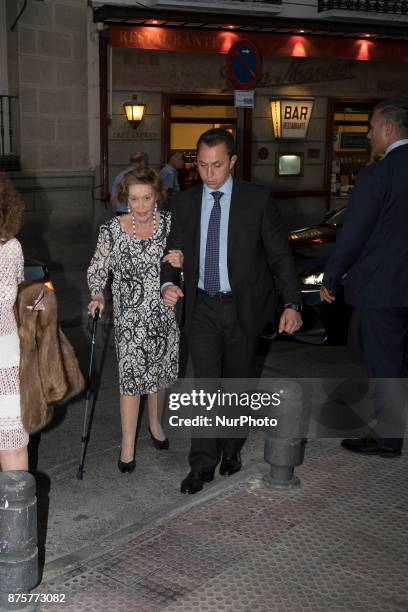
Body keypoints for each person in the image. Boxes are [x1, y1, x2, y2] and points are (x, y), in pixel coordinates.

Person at [161, 128, 302, 494]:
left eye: (218, 165)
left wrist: (291, 303)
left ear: (233, 162)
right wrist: (169, 283)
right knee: (205, 388)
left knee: (237, 385)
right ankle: (202, 464)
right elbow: (172, 253)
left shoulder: (257, 200)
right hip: (203, 307)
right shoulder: (186, 202)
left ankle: (231, 448)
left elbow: (279, 256)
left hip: (243, 308)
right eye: (203, 166)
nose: (210, 174)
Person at [321, 97, 408, 458]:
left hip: (383, 288)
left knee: (386, 363)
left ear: (388, 129)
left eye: (372, 127)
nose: (369, 134)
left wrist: (331, 276)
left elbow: (353, 232)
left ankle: (388, 440)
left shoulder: (379, 174)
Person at [87, 168, 182, 473]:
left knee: (159, 375)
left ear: (157, 197)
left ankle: (154, 424)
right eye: (134, 199)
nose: (140, 206)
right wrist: (98, 294)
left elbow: (184, 261)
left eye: (147, 198)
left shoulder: (170, 224)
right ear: (124, 198)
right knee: (131, 381)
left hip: (164, 314)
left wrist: (183, 263)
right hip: (129, 319)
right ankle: (127, 444)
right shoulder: (111, 229)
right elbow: (98, 269)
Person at [0, 172, 29, 471]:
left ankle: (16, 516)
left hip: (5, 357)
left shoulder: (10, 248)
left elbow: (10, 299)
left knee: (12, 442)